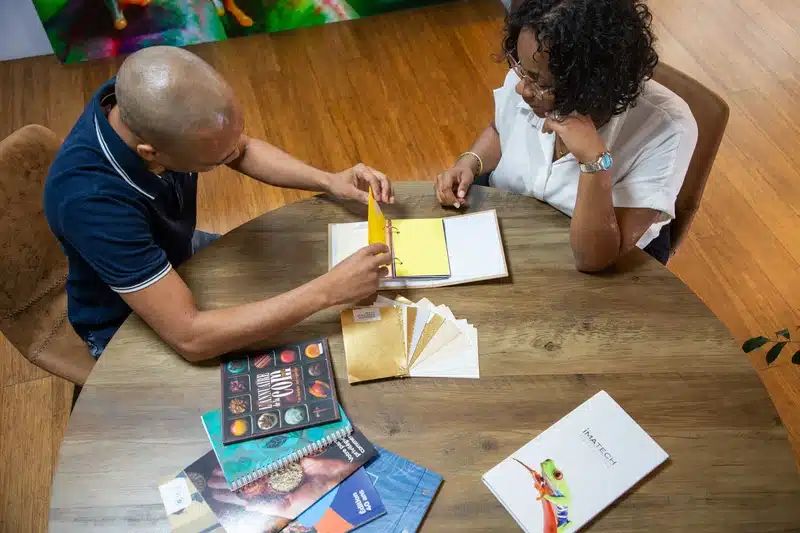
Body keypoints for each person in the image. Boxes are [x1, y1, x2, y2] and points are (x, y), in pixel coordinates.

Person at [44, 46, 394, 362]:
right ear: (151, 153)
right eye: (214, 161)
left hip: (178, 253)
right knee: (311, 331)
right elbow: (192, 337)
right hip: (126, 321)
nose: (233, 154)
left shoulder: (147, 97)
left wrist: (328, 180)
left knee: (300, 278)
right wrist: (327, 292)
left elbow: (241, 148)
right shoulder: (91, 202)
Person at [434, 0, 698, 270]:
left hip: (596, 269)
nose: (521, 88)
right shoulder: (531, 71)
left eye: (539, 82)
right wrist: (469, 162)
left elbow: (594, 259)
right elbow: (502, 129)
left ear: (591, 85)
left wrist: (594, 162)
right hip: (513, 236)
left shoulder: (668, 128)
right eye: (520, 67)